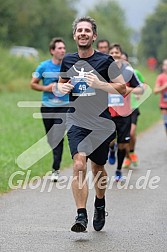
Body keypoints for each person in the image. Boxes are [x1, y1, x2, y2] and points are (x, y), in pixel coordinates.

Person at [57, 17, 126, 233]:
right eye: (80, 30)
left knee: (97, 168)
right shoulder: (67, 61)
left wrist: (100, 84)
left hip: (101, 123)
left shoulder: (106, 61)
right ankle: (81, 215)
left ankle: (99, 202)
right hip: (76, 121)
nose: (83, 33)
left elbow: (122, 88)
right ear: (75, 35)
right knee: (79, 164)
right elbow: (61, 84)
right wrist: (62, 88)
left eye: (87, 30)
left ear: (94, 36)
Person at [31, 38, 68, 182]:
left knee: (58, 135)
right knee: (50, 138)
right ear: (52, 51)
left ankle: (55, 169)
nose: (62, 51)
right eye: (59, 48)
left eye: (64, 48)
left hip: (64, 106)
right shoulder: (43, 66)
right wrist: (45, 88)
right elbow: (33, 84)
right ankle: (56, 164)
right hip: (47, 106)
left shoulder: (68, 66)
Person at [108, 44, 143, 181]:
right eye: (112, 52)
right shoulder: (104, 71)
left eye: (117, 52)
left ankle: (118, 170)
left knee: (123, 144)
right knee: (110, 140)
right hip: (108, 113)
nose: (115, 54)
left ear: (121, 55)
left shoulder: (128, 71)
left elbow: (140, 89)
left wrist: (128, 90)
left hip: (124, 114)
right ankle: (111, 149)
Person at [121, 52, 145, 168]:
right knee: (122, 136)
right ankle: (126, 157)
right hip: (120, 108)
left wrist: (137, 93)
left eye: (125, 60)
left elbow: (143, 85)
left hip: (133, 106)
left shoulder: (134, 73)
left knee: (131, 132)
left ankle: (132, 152)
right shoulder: (113, 74)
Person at [154, 59, 167, 136]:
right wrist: (164, 86)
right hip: (164, 106)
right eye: (165, 65)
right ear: (163, 66)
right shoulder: (160, 77)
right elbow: (155, 91)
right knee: (166, 123)